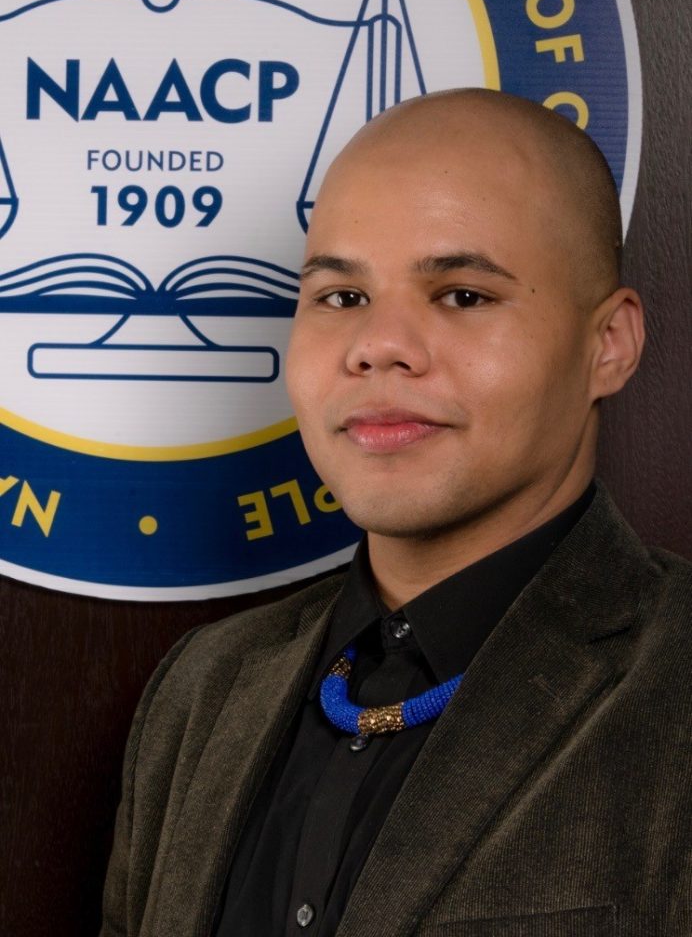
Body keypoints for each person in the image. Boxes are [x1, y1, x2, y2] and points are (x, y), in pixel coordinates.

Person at [100, 89, 691, 937]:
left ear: (609, 345)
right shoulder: (204, 690)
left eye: (462, 295)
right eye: (341, 297)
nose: (378, 345)